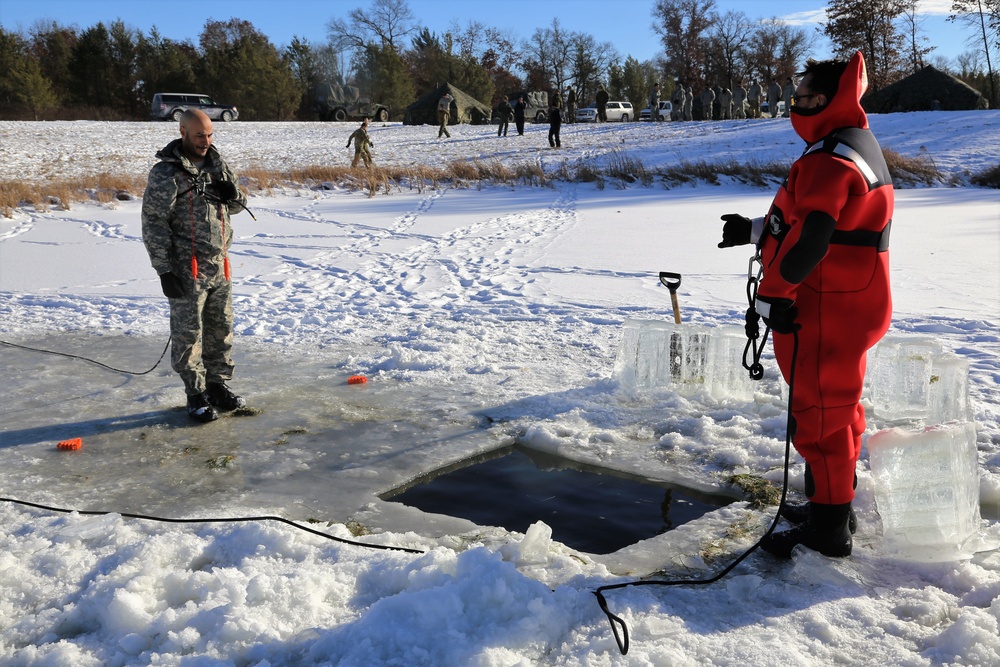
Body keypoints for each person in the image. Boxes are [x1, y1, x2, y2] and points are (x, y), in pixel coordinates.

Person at [717, 52, 893, 559]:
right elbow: (813, 222)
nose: (799, 104)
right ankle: (831, 503)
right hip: (848, 301)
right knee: (838, 408)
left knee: (820, 419)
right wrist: (752, 231)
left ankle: (828, 531)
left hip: (825, 306)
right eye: (797, 96)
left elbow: (813, 237)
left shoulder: (829, 156)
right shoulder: (847, 144)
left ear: (834, 99)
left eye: (810, 96)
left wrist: (774, 293)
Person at [141, 109, 249, 423]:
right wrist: (163, 270)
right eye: (200, 135)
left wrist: (235, 196)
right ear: (183, 132)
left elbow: (239, 207)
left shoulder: (219, 165)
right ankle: (195, 394)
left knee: (221, 331)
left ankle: (217, 386)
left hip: (220, 266)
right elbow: (154, 223)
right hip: (186, 268)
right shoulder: (166, 173)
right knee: (189, 335)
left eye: (210, 135)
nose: (206, 141)